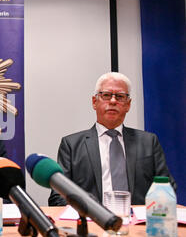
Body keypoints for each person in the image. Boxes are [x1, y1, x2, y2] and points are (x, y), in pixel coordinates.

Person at [49, 72, 176, 206]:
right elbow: (58, 197)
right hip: (92, 221)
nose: (113, 101)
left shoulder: (148, 142)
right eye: (106, 95)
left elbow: (166, 189)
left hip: (138, 223)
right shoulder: (71, 145)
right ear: (94, 102)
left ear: (128, 105)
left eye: (120, 96)